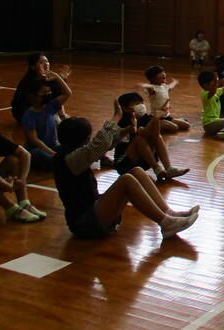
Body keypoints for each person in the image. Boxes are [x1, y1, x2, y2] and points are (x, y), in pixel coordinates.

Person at [53, 101, 199, 240]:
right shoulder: (68, 159)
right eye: (87, 138)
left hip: (94, 210)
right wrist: (116, 117)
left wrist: (128, 130)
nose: (88, 141)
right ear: (81, 140)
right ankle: (166, 223)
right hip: (85, 223)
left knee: (136, 171)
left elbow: (106, 145)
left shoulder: (71, 151)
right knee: (126, 180)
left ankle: (168, 213)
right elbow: (99, 144)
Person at [113, 93, 189, 181]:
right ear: (125, 108)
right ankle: (157, 169)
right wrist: (156, 117)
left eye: (142, 102)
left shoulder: (145, 117)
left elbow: (155, 134)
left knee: (157, 136)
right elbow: (143, 133)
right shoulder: (123, 122)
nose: (141, 105)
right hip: (124, 164)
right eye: (136, 103)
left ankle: (169, 169)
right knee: (139, 139)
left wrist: (159, 115)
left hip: (143, 161)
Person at [20, 70, 72, 170]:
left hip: (53, 145)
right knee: (40, 155)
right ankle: (63, 162)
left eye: (49, 92)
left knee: (71, 148)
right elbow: (34, 140)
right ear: (32, 96)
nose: (47, 95)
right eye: (44, 93)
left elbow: (67, 93)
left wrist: (57, 77)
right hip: (37, 149)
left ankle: (62, 162)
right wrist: (52, 153)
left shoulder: (50, 106)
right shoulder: (29, 116)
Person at [11, 52, 71, 123]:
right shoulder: (29, 81)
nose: (46, 64)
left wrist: (61, 79)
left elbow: (60, 93)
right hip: (23, 113)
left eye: (47, 61)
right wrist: (58, 79)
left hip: (37, 111)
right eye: (41, 62)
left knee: (55, 91)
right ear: (33, 67)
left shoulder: (47, 78)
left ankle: (62, 116)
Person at [142, 65, 190, 133]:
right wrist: (144, 85)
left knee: (186, 125)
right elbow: (147, 86)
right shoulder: (152, 89)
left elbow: (170, 87)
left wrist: (175, 82)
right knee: (174, 128)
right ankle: (154, 125)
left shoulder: (164, 86)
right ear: (152, 78)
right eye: (159, 73)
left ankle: (170, 122)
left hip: (166, 116)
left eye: (163, 72)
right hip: (157, 117)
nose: (163, 74)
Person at [197, 70, 224, 140]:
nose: (216, 83)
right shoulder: (205, 94)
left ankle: (223, 132)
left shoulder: (216, 92)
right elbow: (213, 91)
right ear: (205, 85)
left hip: (214, 122)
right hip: (209, 123)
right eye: (213, 82)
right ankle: (223, 132)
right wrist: (216, 79)